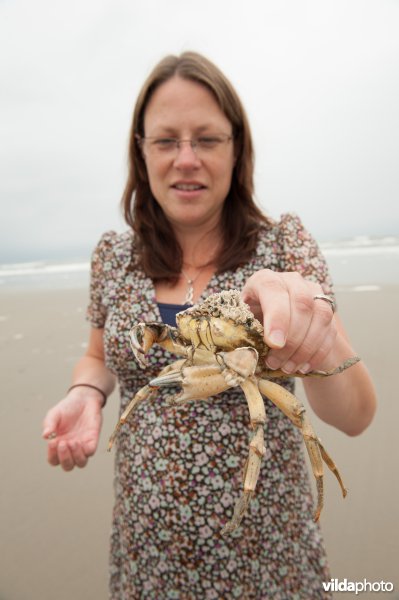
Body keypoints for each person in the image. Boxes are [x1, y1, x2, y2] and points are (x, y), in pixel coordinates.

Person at [42, 51, 376, 599]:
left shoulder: (284, 247)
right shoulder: (113, 258)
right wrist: (85, 392)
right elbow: (100, 358)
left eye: (207, 139)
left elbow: (357, 416)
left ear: (236, 147)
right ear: (141, 151)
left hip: (270, 564)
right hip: (145, 559)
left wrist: (311, 328)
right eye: (167, 140)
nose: (187, 158)